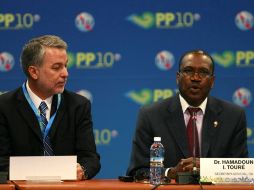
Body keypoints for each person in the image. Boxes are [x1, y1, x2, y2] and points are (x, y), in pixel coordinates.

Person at [126, 50, 248, 179]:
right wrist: (169, 173)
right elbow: (137, 171)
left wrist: (207, 168)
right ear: (177, 77)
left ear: (212, 81)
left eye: (203, 72)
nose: (195, 78)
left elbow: (242, 170)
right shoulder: (150, 115)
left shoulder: (233, 116)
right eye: (188, 71)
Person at [0, 35, 100, 180]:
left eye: (65, 65)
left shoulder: (78, 105)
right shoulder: (4, 106)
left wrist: (82, 170)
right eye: (56, 67)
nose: (65, 74)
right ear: (34, 72)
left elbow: (90, 159)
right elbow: (1, 162)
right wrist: (39, 175)